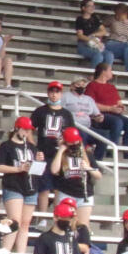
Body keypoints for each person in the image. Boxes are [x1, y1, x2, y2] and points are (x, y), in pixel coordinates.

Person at [0, 117, 40, 254]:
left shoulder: (32, 147)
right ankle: (5, 252)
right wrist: (18, 169)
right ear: (17, 128)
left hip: (30, 186)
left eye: (28, 130)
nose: (26, 133)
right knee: (14, 222)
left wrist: (38, 162)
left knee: (25, 224)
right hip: (13, 186)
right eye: (24, 129)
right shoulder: (6, 146)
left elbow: (37, 170)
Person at [30, 81, 74, 214]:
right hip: (43, 153)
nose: (54, 95)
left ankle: (58, 214)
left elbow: (71, 134)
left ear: (61, 94)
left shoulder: (66, 114)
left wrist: (65, 145)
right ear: (48, 93)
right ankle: (42, 217)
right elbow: (29, 130)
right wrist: (34, 147)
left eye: (57, 92)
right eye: (52, 92)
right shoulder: (40, 111)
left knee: (58, 188)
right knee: (43, 187)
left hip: (60, 155)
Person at [84, 64, 128, 155]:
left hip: (114, 113)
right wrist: (110, 108)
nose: (112, 73)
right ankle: (111, 151)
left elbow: (118, 101)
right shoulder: (92, 85)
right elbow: (91, 104)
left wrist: (121, 107)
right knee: (117, 122)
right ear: (104, 72)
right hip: (100, 115)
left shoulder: (112, 87)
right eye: (110, 70)